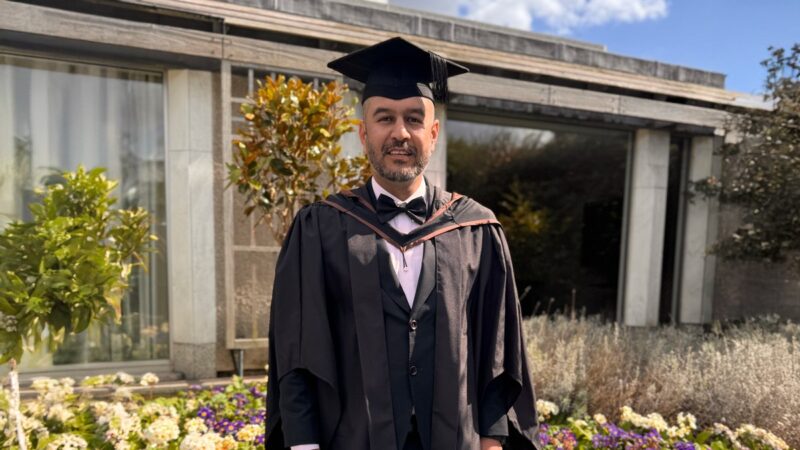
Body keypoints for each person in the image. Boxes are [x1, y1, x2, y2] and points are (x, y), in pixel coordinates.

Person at [265, 36, 541, 450]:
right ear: (363, 132)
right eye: (385, 118)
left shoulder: (476, 230)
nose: (400, 133)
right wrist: (304, 444)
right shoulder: (320, 228)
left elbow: (497, 349)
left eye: (414, 119)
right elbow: (298, 351)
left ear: (433, 133)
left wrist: (492, 440)